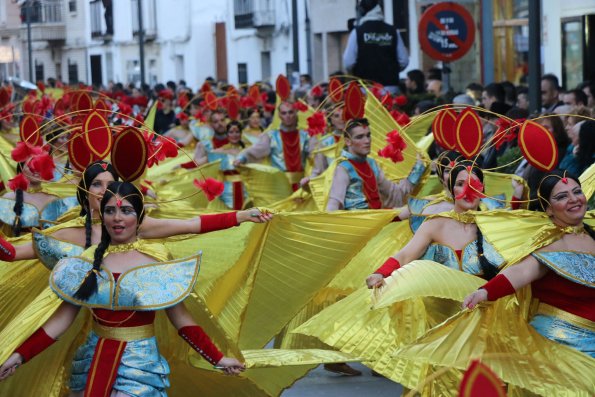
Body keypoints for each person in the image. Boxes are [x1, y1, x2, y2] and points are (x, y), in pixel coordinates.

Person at [0, 182, 246, 395]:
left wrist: (218, 358)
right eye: (110, 211)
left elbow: (182, 320)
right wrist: (19, 356)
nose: (117, 218)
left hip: (139, 366)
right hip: (91, 362)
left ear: (139, 217)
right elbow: (59, 322)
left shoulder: (155, 262)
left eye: (126, 210)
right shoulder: (87, 262)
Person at [464, 170, 594, 358]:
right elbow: (522, 271)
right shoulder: (550, 244)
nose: (573, 199)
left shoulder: (591, 232)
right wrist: (484, 292)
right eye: (562, 196)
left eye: (577, 192)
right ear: (548, 208)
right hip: (559, 349)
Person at [326, 118, 425, 211]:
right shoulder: (343, 168)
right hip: (357, 224)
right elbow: (333, 205)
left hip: (377, 219)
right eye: (360, 137)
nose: (367, 141)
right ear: (348, 141)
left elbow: (395, 194)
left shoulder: (371, 163)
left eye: (368, 135)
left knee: (420, 208)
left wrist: (418, 167)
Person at [234, 102, 310, 191]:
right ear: (279, 115)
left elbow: (315, 156)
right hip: (278, 187)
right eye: (284, 113)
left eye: (290, 112)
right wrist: (241, 158)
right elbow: (255, 150)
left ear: (296, 113)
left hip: (301, 186)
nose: (288, 116)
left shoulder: (305, 136)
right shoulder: (271, 136)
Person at [343, 0, 409, 93]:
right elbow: (404, 60)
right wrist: (390, 69)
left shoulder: (358, 32)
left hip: (365, 88)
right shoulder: (393, 31)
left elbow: (348, 62)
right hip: (390, 88)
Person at [207, 121, 249, 210]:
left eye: (237, 132)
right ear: (227, 134)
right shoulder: (219, 151)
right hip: (227, 191)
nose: (234, 135)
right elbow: (205, 162)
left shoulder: (248, 151)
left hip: (246, 190)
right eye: (231, 132)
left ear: (241, 133)